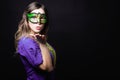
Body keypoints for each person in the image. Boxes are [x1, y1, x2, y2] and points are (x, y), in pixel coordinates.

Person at [14, 1, 56, 80]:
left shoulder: (39, 38)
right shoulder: (26, 42)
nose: (38, 22)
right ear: (27, 20)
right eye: (33, 17)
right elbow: (48, 68)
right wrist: (42, 45)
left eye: (42, 18)